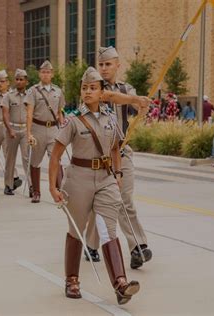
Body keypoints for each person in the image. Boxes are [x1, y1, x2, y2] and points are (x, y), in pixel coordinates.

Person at [49, 67, 141, 305]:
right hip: (78, 178)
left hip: (105, 178)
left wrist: (118, 173)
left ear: (102, 92)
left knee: (108, 229)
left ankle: (120, 284)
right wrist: (53, 187)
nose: (88, 92)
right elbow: (56, 155)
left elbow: (114, 148)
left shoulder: (110, 119)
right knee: (76, 229)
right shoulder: (73, 120)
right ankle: (71, 279)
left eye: (93, 88)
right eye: (84, 88)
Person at [84, 46, 153, 270]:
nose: (104, 68)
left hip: (121, 153)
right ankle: (92, 244)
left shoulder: (127, 88)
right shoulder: (95, 88)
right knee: (99, 204)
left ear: (117, 65)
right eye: (101, 64)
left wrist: (142, 105)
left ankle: (138, 247)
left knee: (124, 200)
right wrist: (133, 98)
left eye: (108, 64)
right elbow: (112, 97)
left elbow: (136, 106)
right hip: (98, 155)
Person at [24, 60, 66, 203]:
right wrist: (29, 133)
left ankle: (60, 189)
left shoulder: (58, 91)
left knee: (56, 158)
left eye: (48, 72)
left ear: (52, 74)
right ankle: (36, 192)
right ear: (39, 74)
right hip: (38, 128)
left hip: (53, 129)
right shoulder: (33, 91)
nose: (46, 74)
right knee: (35, 161)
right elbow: (29, 113)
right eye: (43, 72)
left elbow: (60, 112)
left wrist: (63, 126)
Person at [2, 69, 30, 196]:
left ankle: (31, 186)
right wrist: (10, 129)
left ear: (26, 81)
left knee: (27, 158)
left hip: (25, 130)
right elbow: (5, 114)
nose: (19, 82)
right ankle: (8, 185)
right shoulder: (9, 96)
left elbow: (32, 114)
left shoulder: (30, 96)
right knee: (10, 159)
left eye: (21, 79)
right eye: (17, 79)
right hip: (12, 130)